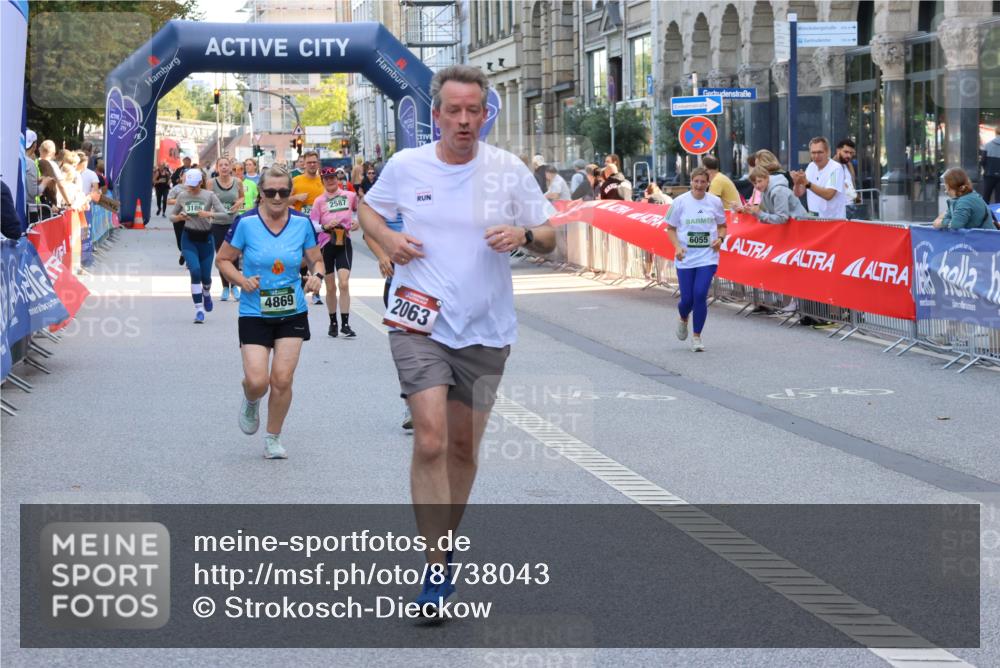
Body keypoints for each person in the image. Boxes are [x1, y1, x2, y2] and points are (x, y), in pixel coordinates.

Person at [359, 64, 556, 614]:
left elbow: (549, 236)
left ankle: (443, 552)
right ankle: (435, 569)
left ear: (485, 113)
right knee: (430, 439)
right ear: (437, 113)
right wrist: (388, 240)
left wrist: (522, 235)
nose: (465, 121)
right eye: (455, 110)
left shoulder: (507, 171)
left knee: (464, 447)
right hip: (417, 322)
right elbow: (366, 209)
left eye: (475, 111)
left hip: (486, 329)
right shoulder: (406, 165)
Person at [215, 165, 325, 459]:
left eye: (284, 192)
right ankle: (251, 400)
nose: (277, 197)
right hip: (254, 310)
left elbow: (316, 259)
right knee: (257, 381)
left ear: (290, 193)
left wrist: (317, 276)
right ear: (260, 193)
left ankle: (273, 438)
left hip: (292, 310)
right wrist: (240, 280)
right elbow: (223, 259)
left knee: (282, 379)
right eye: (270, 192)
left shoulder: (302, 224)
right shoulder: (245, 223)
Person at [665, 166, 727, 352]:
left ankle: (697, 337)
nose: (699, 185)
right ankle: (683, 317)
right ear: (691, 182)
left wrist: (721, 238)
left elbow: (723, 226)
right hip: (686, 257)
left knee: (700, 294)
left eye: (703, 182)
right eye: (696, 181)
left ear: (708, 183)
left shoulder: (714, 202)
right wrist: (677, 247)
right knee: (687, 299)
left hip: (707, 257)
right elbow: (670, 228)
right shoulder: (679, 202)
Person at [169, 169, 230, 323]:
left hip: (206, 239)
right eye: (188, 185)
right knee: (195, 271)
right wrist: (179, 217)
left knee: (206, 277)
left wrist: (209, 214)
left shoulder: (209, 195)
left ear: (200, 182)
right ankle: (199, 310)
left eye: (193, 185)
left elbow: (225, 214)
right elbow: (172, 216)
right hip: (188, 238)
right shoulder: (182, 195)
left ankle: (207, 292)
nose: (190, 188)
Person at [309, 166, 359, 338]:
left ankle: (345, 324)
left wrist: (357, 222)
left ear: (337, 179)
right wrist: (324, 226)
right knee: (330, 287)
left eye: (332, 177)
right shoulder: (319, 201)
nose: (330, 181)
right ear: (322, 181)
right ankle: (333, 322)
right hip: (326, 244)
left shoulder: (350, 196)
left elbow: (363, 212)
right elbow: (312, 225)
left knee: (343, 283)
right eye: (326, 178)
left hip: (343, 242)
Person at [290, 151, 325, 304]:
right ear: (303, 163)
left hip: (319, 227)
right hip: (299, 227)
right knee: (301, 260)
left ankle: (316, 291)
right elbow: (284, 200)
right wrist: (296, 198)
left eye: (314, 162)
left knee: (317, 259)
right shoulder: (296, 181)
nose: (312, 165)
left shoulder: (323, 180)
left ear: (318, 163)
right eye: (309, 162)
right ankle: (301, 286)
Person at [210, 157, 245, 301]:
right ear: (217, 168)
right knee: (221, 256)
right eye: (221, 165)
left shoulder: (237, 182)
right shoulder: (211, 183)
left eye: (226, 165)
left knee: (234, 255)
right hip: (217, 223)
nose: (224, 167)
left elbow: (242, 197)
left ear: (231, 167)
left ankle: (234, 287)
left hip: (233, 222)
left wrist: (237, 203)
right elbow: (207, 199)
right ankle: (225, 287)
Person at [791, 137, 848, 219]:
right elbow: (799, 193)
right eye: (813, 152)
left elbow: (829, 194)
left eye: (820, 152)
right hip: (813, 218)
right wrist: (797, 183)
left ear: (828, 152)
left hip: (833, 221)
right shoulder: (811, 166)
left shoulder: (836, 168)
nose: (816, 156)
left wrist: (807, 183)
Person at [740, 165, 807, 224]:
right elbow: (769, 214)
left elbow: (782, 218)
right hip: (793, 225)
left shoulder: (778, 191)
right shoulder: (763, 190)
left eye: (759, 181)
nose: (757, 185)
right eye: (754, 183)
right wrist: (751, 210)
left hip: (800, 224)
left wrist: (759, 213)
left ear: (767, 178)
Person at [981, 132, 1000, 204]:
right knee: (999, 199)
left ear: (996, 133)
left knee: (986, 197)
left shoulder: (987, 145)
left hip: (989, 174)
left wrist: (987, 169)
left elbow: (983, 161)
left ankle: (985, 214)